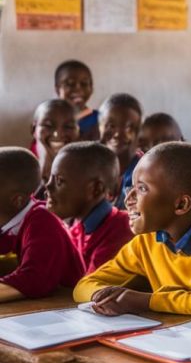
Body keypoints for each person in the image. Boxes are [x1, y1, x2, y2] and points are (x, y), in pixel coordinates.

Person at [73, 142, 191, 316]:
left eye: (142, 188)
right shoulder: (146, 243)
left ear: (181, 204)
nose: (128, 199)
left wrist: (146, 301)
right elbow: (83, 287)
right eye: (131, 188)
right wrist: (105, 296)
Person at [0, 147, 84, 302]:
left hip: (65, 308)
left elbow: (34, 279)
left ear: (16, 200)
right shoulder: (6, 223)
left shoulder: (42, 222)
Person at [45, 142, 133, 273]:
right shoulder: (76, 228)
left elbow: (89, 288)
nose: (48, 187)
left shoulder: (122, 230)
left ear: (96, 189)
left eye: (59, 181)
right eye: (49, 179)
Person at [98, 93, 144, 210]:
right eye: (111, 126)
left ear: (139, 132)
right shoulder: (88, 165)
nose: (118, 134)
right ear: (99, 127)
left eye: (129, 128)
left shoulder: (145, 171)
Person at [28, 98, 79, 188]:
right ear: (33, 129)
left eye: (68, 127)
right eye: (48, 125)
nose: (57, 134)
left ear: (78, 131)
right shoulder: (19, 172)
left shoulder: (85, 175)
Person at [54, 60, 100, 141]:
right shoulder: (49, 120)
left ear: (91, 88)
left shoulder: (100, 120)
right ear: (57, 89)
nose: (78, 89)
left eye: (84, 84)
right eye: (70, 84)